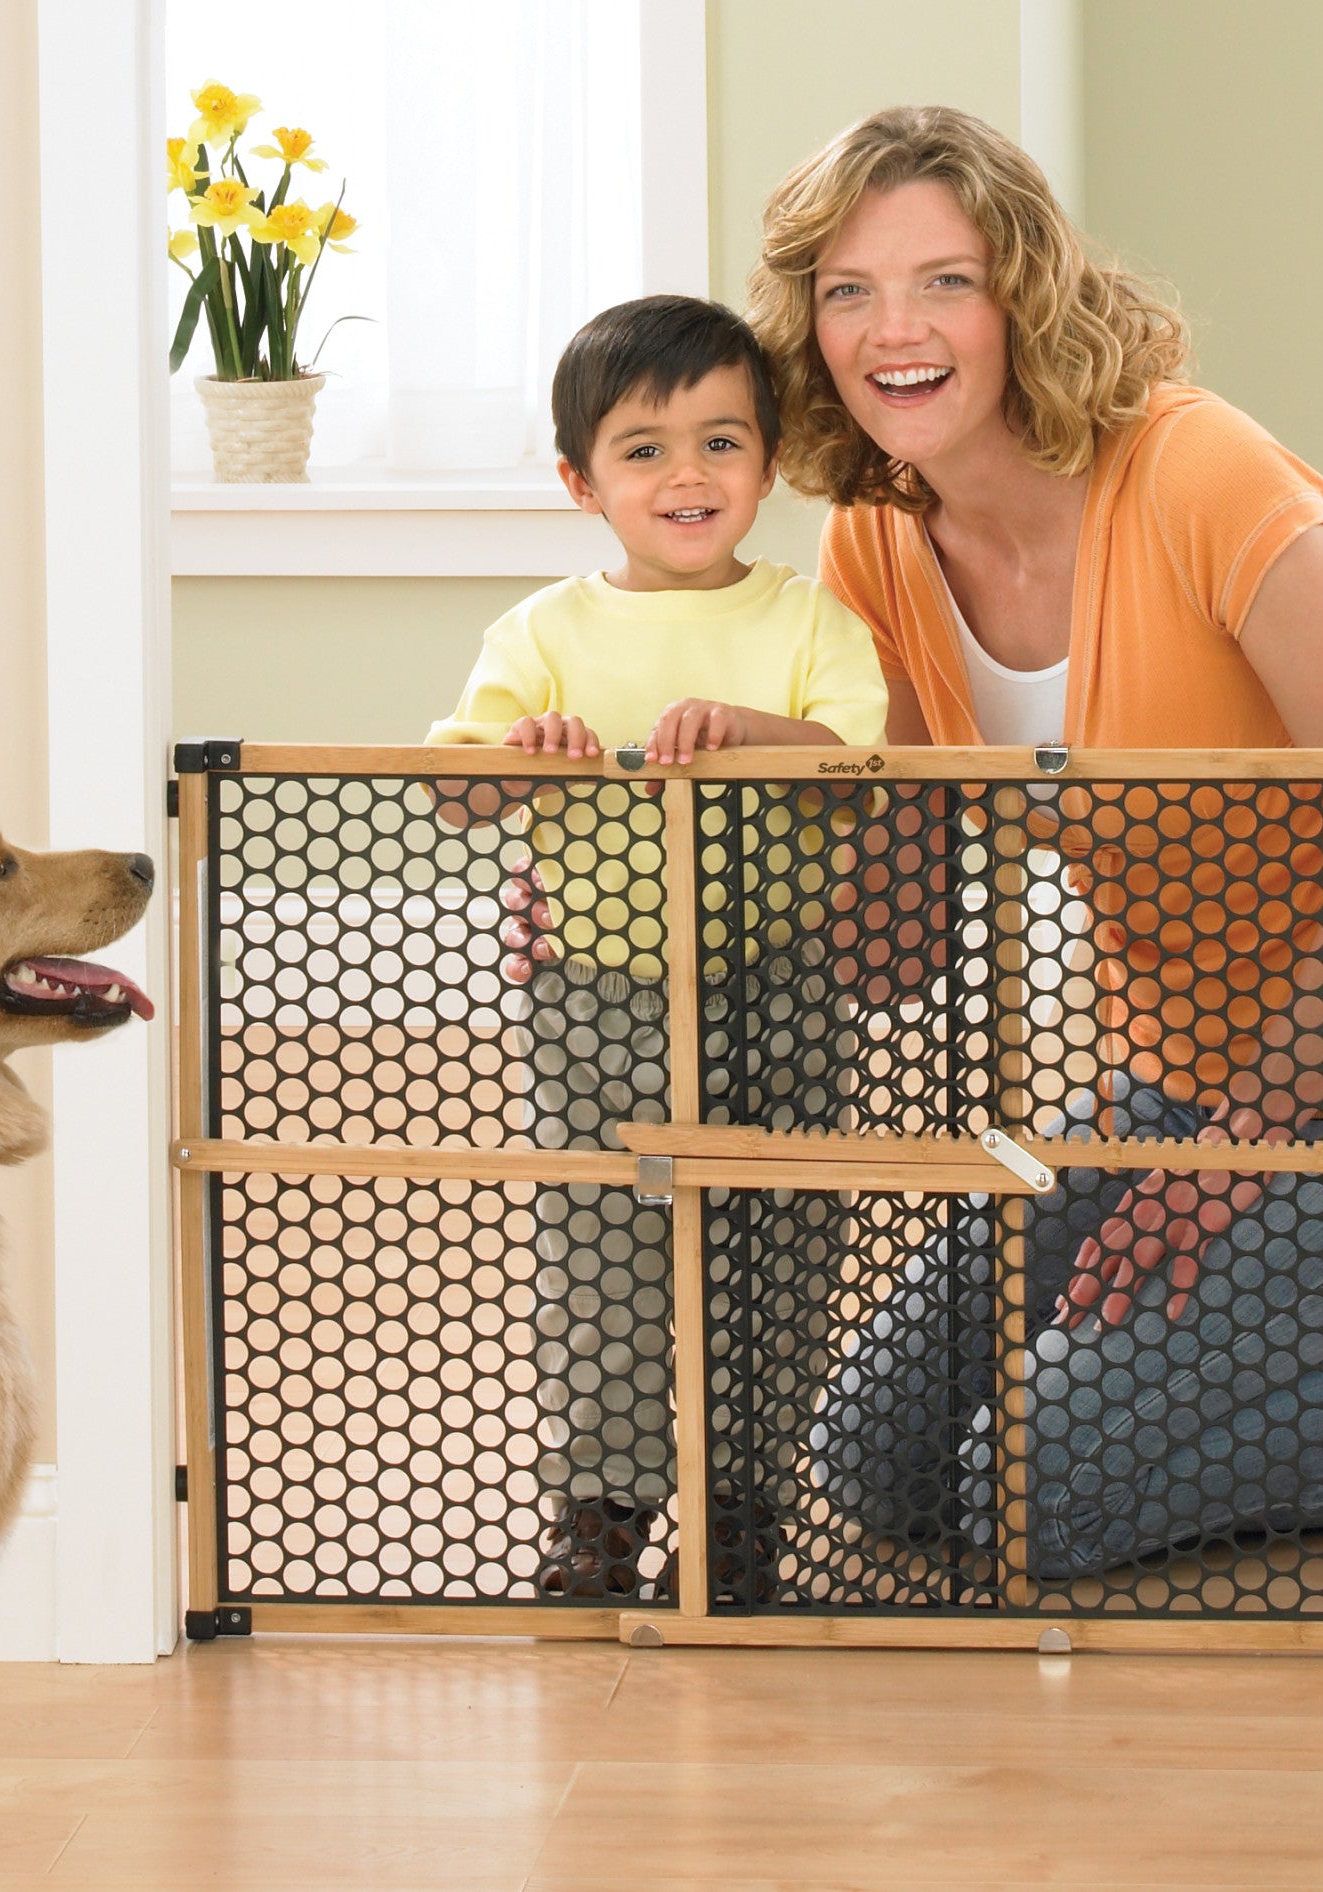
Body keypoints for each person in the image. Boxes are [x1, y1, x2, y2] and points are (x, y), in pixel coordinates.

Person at [742, 106, 1323, 1585]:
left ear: (1025, 294)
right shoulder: (870, 544)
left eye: (944, 283)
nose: (893, 331)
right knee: (872, 1455)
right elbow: (894, 936)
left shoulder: (1202, 474)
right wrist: (659, 868)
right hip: (1151, 1102)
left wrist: (1240, 1150)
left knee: (1026, 1494)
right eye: (849, 290)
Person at [426, 294, 887, 1596]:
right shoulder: (542, 635)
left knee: (777, 1260)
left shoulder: (806, 624)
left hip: (780, 990)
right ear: (582, 481)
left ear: (771, 462)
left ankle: (745, 1513)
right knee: (606, 1268)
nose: (687, 475)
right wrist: (521, 758)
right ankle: (604, 1518)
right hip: (598, 1003)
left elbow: (859, 767)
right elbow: (452, 786)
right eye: (644, 449)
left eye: (721, 443)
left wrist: (752, 729)